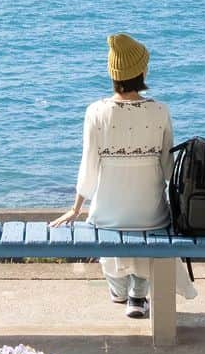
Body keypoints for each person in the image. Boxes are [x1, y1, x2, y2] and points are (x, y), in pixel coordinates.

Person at [55, 32, 192, 320]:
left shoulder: (96, 112)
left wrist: (76, 208)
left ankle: (122, 290)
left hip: (108, 217)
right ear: (142, 71)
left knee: (108, 223)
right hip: (152, 216)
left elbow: (88, 167)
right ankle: (138, 295)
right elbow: (169, 169)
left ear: (113, 74)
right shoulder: (160, 110)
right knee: (149, 223)